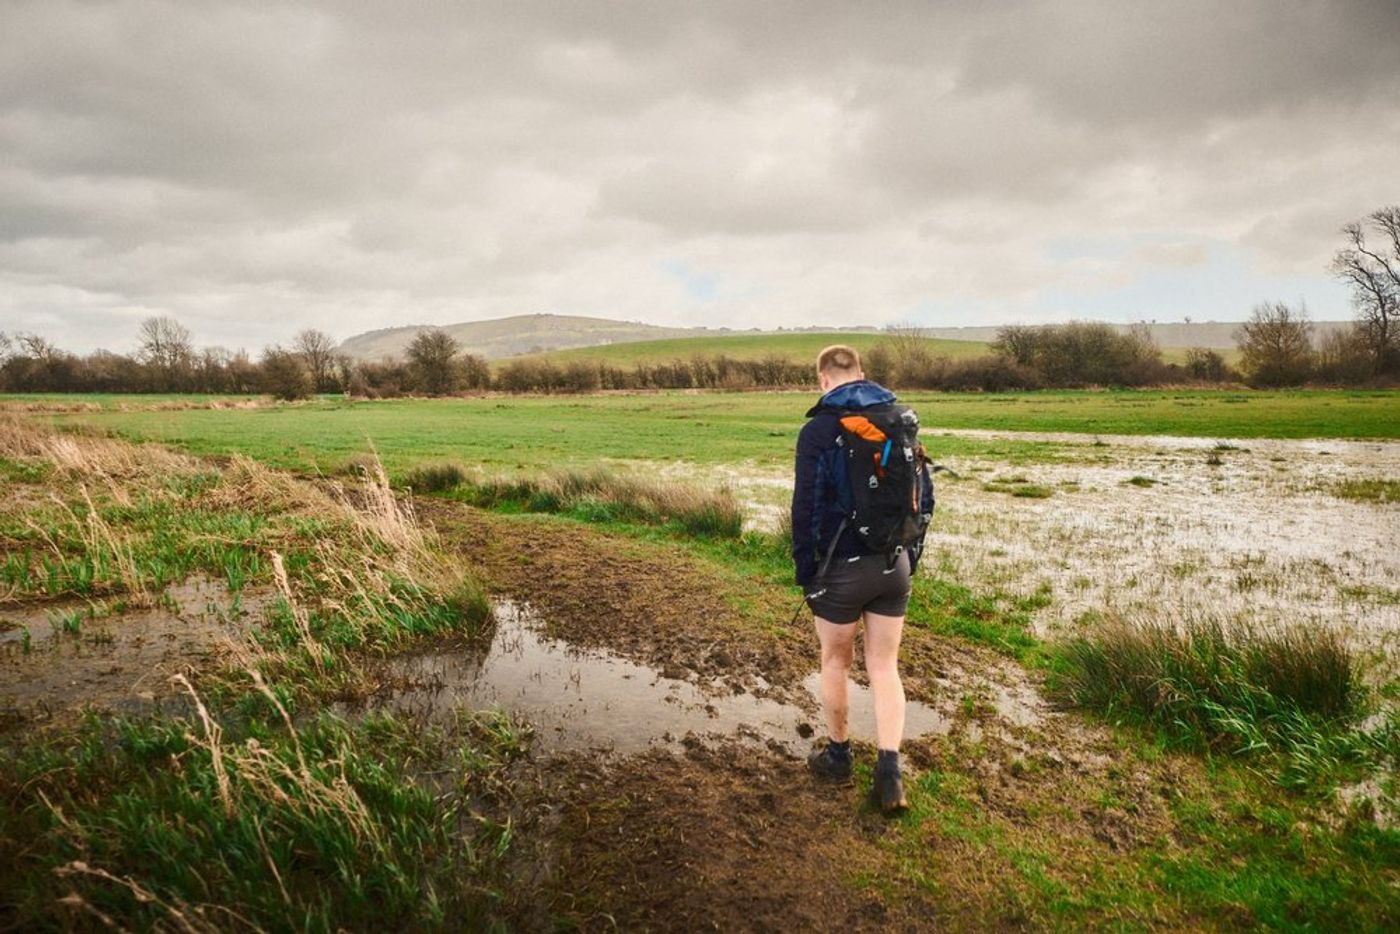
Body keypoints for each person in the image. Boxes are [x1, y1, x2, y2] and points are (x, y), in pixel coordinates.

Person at [791, 344, 925, 815]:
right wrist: (910, 557)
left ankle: (839, 755)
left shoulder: (818, 431)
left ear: (822, 380)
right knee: (885, 666)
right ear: (863, 374)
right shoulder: (900, 420)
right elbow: (921, 496)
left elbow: (805, 508)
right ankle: (890, 774)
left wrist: (806, 572)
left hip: (841, 571)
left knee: (835, 661)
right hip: (894, 565)